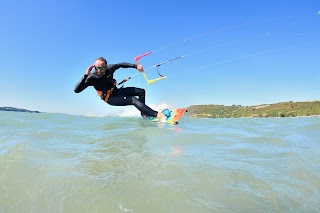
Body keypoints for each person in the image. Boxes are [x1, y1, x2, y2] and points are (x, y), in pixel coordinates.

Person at [74, 57, 167, 121]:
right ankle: (157, 115)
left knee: (141, 91)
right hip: (109, 98)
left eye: (101, 68)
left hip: (117, 91)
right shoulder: (91, 78)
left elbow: (121, 64)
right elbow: (77, 90)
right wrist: (86, 75)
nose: (99, 71)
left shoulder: (110, 68)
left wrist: (136, 66)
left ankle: (145, 115)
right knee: (133, 100)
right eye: (97, 68)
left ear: (106, 66)